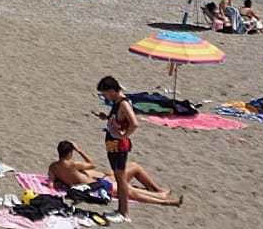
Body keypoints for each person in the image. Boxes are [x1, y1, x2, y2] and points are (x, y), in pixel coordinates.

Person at [48, 141, 180, 206]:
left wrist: (65, 182)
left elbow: (51, 185)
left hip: (102, 178)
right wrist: (80, 151)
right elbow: (92, 164)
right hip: (99, 185)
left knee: (134, 167)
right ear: (70, 153)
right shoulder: (73, 164)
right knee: (130, 191)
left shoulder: (53, 167)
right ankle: (164, 200)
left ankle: (157, 190)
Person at [96, 76, 139, 217]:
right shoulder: (116, 102)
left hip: (119, 145)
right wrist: (106, 118)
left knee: (121, 179)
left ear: (112, 91)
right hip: (113, 144)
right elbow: (118, 119)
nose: (105, 97)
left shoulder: (123, 103)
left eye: (105, 94)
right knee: (118, 177)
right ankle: (121, 210)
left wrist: (124, 135)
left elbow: (135, 123)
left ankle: (124, 212)